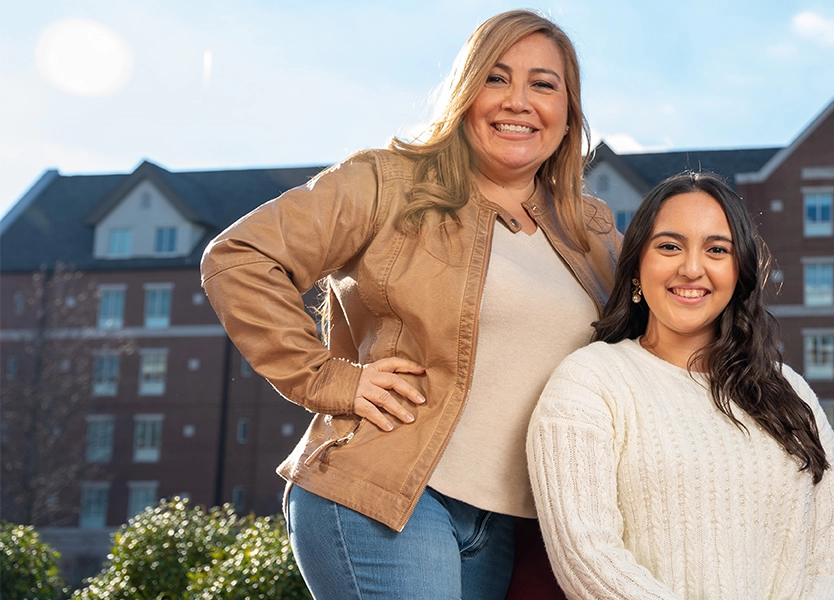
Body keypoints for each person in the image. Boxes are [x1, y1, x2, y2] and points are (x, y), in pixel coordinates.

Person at [199, 10, 616, 599]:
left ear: (568, 111)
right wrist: (329, 379)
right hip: (384, 495)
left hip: (502, 525)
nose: (518, 101)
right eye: (496, 79)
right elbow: (239, 257)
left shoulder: (590, 231)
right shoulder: (390, 183)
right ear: (465, 94)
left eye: (543, 84)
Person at [526, 172, 834, 598]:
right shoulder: (590, 384)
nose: (691, 268)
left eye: (716, 250)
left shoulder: (791, 395)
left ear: (738, 273)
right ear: (636, 267)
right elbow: (588, 554)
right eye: (669, 246)